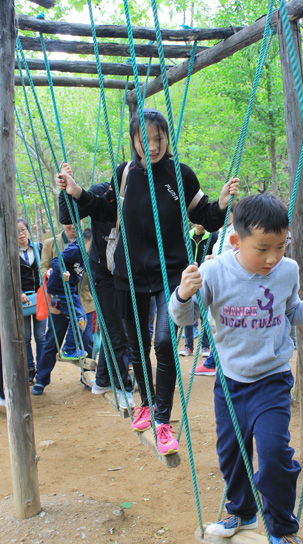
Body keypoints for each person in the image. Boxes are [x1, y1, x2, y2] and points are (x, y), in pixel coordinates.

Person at [56, 107, 239, 456]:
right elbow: (104, 210)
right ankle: (145, 403)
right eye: (145, 140)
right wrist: (77, 191)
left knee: (165, 342)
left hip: (171, 274)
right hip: (128, 275)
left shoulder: (180, 174)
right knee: (138, 344)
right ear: (135, 141)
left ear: (167, 138)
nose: (152, 146)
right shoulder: (125, 174)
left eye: (159, 139)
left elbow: (205, 216)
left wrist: (221, 204)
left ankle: (163, 419)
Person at [169, 193, 303, 542]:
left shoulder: (287, 270)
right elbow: (186, 318)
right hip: (230, 381)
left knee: (274, 453)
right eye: (263, 248)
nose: (272, 257)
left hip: (272, 379)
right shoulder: (214, 271)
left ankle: (282, 528)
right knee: (231, 453)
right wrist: (183, 295)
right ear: (236, 241)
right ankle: (242, 512)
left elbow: (292, 312)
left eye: (281, 246)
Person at [59, 179, 134, 409]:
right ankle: (123, 387)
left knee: (117, 329)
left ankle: (101, 380)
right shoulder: (98, 194)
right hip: (102, 274)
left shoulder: (137, 194)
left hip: (126, 272)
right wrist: (65, 192)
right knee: (117, 332)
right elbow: (67, 217)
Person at [32, 229, 92, 396]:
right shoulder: (54, 243)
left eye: (75, 222)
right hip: (59, 296)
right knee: (52, 340)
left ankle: (87, 377)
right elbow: (46, 265)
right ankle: (42, 379)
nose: (72, 225)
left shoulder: (92, 246)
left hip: (82, 299)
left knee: (86, 340)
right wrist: (54, 272)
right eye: (68, 222)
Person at [40, 223, 94, 360]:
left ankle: (76, 355)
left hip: (74, 294)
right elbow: (54, 261)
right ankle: (68, 349)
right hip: (57, 291)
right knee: (53, 339)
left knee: (83, 325)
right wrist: (61, 271)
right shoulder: (73, 249)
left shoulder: (88, 254)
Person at [191, 209, 235, 376]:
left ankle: (213, 362)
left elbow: (236, 255)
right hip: (218, 282)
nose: (224, 216)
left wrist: (214, 260)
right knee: (215, 323)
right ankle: (213, 361)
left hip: (230, 283)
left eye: (228, 212)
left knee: (223, 324)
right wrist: (211, 258)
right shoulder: (221, 230)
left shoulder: (238, 230)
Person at [178, 224, 217, 357]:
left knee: (204, 314)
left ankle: (205, 347)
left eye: (203, 223)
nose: (201, 226)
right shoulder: (187, 236)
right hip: (190, 277)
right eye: (198, 223)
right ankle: (188, 346)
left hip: (204, 278)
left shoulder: (212, 236)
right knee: (189, 311)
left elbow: (215, 255)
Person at [18, 217, 46, 385]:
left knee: (41, 336)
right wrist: (19, 292)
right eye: (17, 232)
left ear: (28, 230)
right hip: (21, 300)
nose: (21, 234)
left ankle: (42, 369)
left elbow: (46, 267)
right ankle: (30, 369)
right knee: (25, 337)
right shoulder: (10, 253)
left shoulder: (39, 248)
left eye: (23, 230)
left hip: (40, 297)